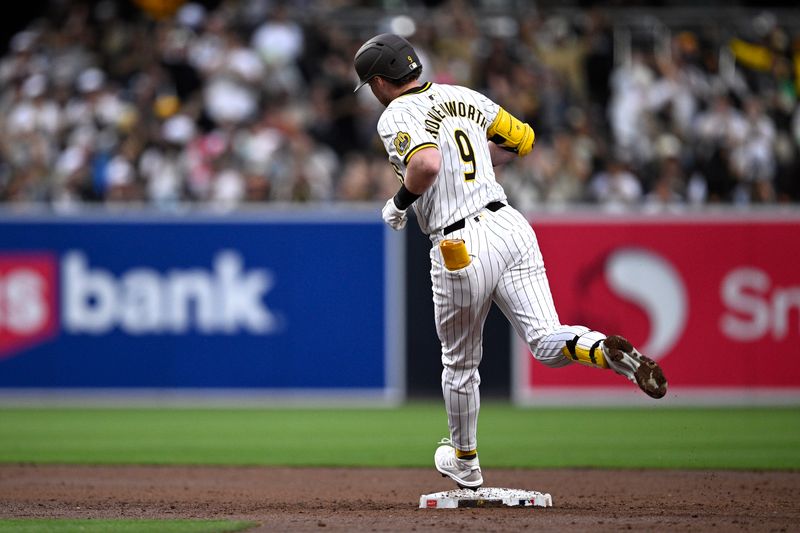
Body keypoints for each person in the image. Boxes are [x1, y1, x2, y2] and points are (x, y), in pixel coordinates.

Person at [353, 33, 668, 490]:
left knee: (460, 363)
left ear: (381, 81)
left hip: (459, 241)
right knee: (545, 339)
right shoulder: (461, 94)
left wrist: (399, 203)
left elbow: (424, 165)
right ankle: (602, 350)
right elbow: (523, 139)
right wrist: (479, 159)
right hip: (510, 225)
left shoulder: (396, 113)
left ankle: (465, 461)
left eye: (372, 84)